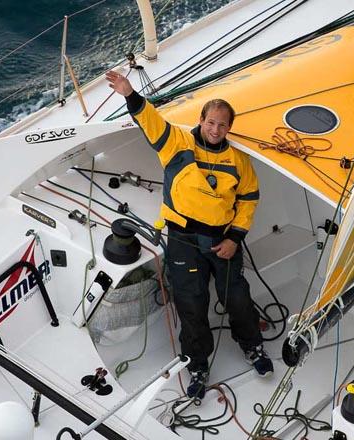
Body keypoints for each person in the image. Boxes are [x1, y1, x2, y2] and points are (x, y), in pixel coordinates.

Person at [106, 70, 273, 399]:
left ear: (229, 128)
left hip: (223, 241)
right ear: (201, 119)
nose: (215, 129)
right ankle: (197, 364)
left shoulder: (238, 161)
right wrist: (129, 93)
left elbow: (249, 199)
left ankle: (252, 347)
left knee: (236, 298)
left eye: (222, 125)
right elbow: (149, 119)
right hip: (183, 240)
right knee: (191, 305)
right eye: (211, 122)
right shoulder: (176, 143)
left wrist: (234, 239)